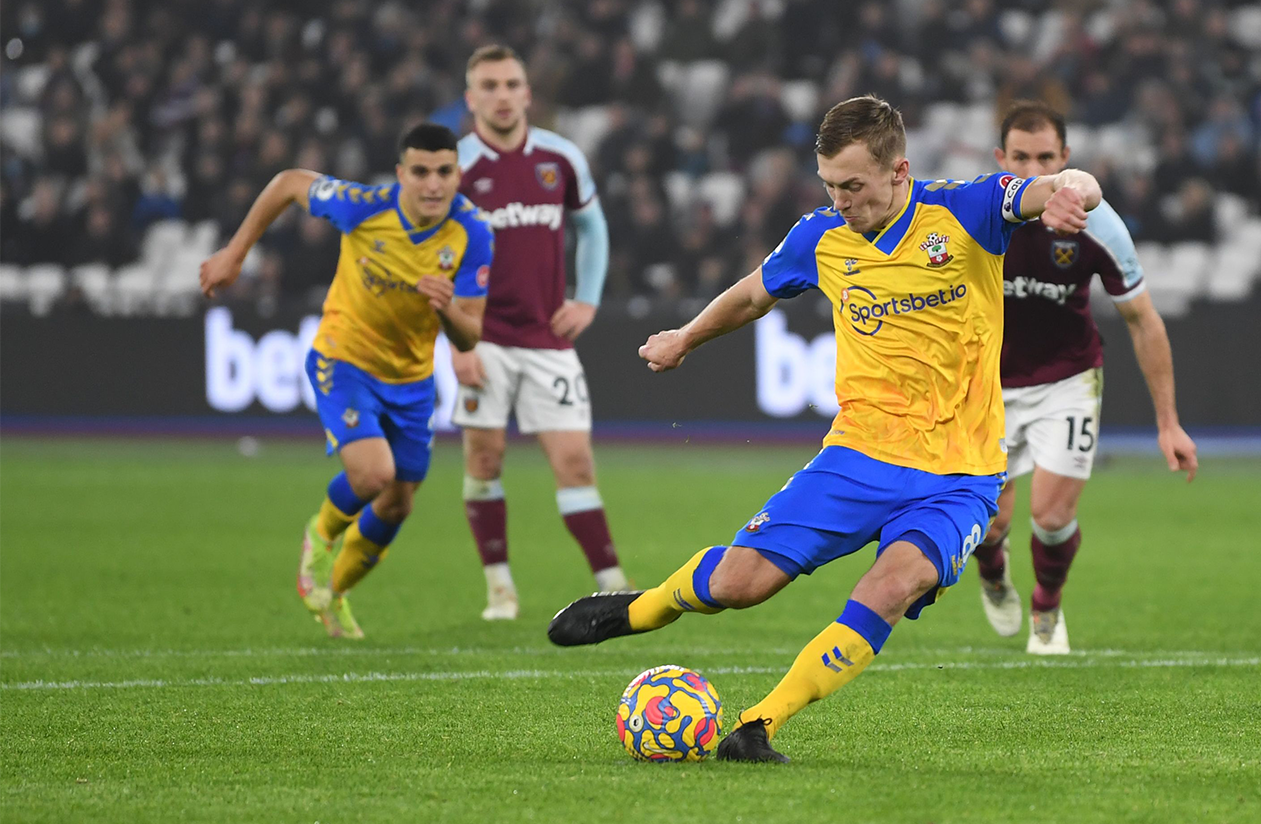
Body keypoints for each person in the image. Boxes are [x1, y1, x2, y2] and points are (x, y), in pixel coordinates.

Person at [547, 95, 1100, 762]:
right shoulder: (819, 237)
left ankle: (759, 726)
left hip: (961, 477)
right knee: (739, 587)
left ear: (899, 171)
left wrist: (1073, 190)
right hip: (857, 457)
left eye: (854, 186)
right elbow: (754, 293)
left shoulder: (967, 209)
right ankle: (643, 607)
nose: (841, 200)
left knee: (894, 585)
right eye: (831, 185)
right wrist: (687, 338)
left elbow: (1060, 184)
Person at [198, 123, 493, 638]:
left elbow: (469, 335)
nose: (432, 184)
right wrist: (236, 254)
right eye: (420, 171)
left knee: (398, 503)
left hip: (412, 381)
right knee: (373, 474)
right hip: (344, 358)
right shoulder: (363, 206)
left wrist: (445, 310)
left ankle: (334, 594)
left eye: (444, 172)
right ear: (401, 174)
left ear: (457, 173)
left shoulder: (473, 233)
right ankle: (320, 534)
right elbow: (290, 182)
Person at [973, 102, 1199, 653]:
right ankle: (991, 569)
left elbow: (1143, 319)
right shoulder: (975, 216)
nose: (1032, 170)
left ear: (1065, 158)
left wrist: (1168, 423)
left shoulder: (1099, 226)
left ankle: (1046, 606)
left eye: (1045, 157)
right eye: (1020, 157)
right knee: (987, 523)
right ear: (1000, 158)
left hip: (1066, 380)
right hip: (985, 387)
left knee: (1050, 517)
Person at [451, 45, 627, 620]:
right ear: (471, 97)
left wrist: (587, 298)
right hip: (484, 337)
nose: (502, 95)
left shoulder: (560, 157)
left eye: (511, 84)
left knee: (575, 462)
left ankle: (612, 582)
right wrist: (458, 343)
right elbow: (433, 260)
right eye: (489, 85)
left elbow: (593, 228)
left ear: (527, 92)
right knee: (485, 459)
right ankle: (499, 587)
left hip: (549, 340)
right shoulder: (454, 169)